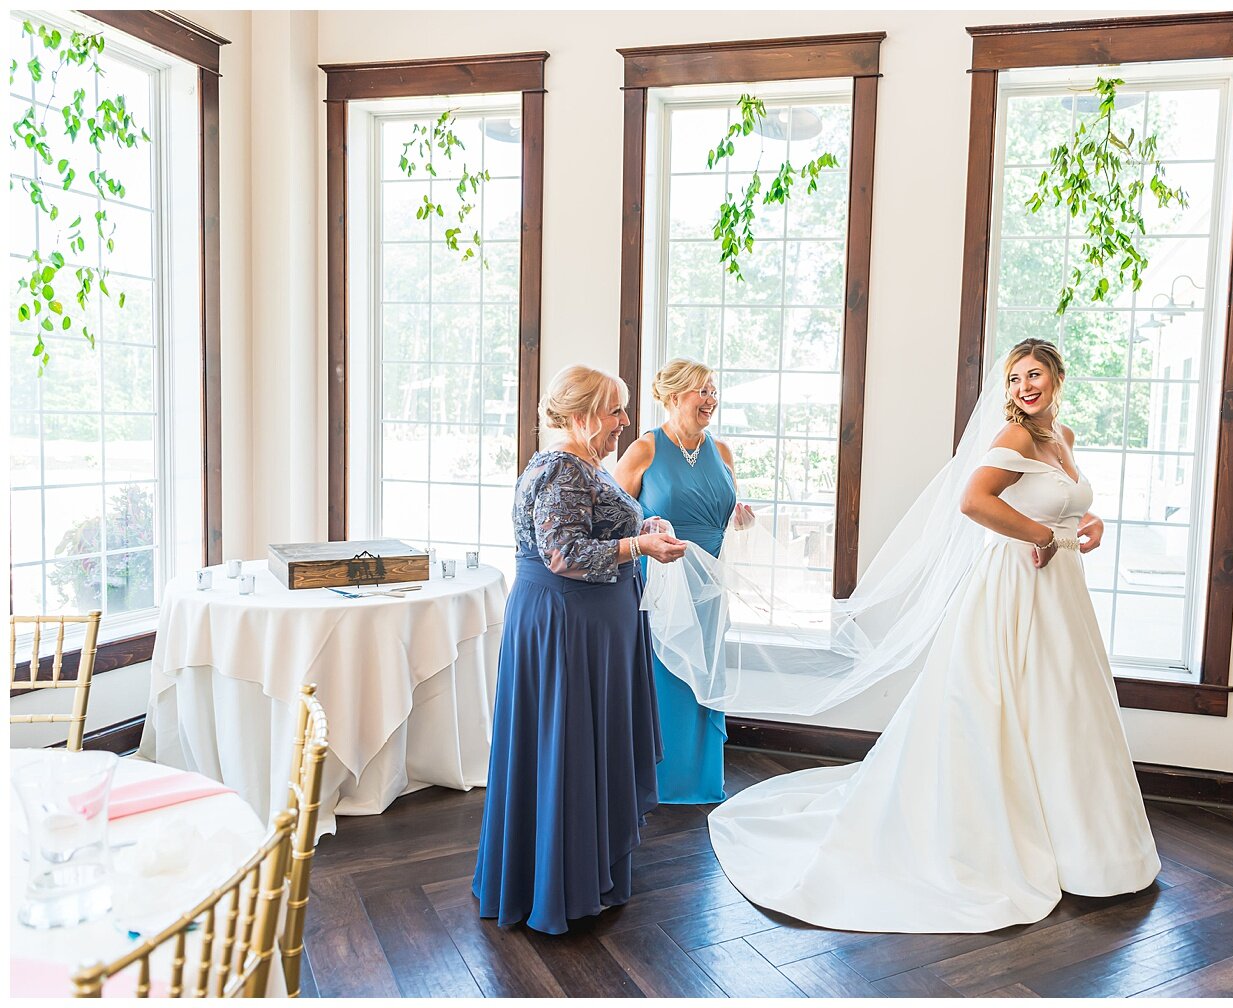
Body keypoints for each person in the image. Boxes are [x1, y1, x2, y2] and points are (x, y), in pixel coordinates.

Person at [705, 338, 1161, 934]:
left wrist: (1083, 524)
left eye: (1037, 375)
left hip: (1062, 596)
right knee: (1008, 704)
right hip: (1015, 589)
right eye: (1017, 376)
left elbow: (1064, 505)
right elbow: (975, 501)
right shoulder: (1014, 437)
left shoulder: (1062, 440)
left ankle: (1084, 845)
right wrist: (1041, 537)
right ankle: (1004, 833)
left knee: (1067, 704)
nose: (1026, 385)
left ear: (1057, 379)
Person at [472, 364, 687, 935]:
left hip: (592, 630)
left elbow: (599, 531)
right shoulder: (561, 468)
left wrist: (646, 528)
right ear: (581, 413)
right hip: (567, 630)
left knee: (585, 745)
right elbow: (563, 554)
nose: (624, 423)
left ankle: (589, 873)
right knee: (565, 747)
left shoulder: (587, 465)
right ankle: (557, 886)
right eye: (615, 411)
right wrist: (638, 543)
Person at [616, 359, 753, 804]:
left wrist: (740, 517)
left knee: (705, 677)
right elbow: (613, 517)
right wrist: (647, 530)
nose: (711, 399)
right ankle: (659, 781)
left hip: (709, 587)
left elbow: (724, 511)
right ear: (674, 397)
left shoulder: (723, 451)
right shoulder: (645, 449)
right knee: (666, 679)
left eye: (714, 391)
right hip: (662, 585)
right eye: (702, 391)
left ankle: (701, 780)